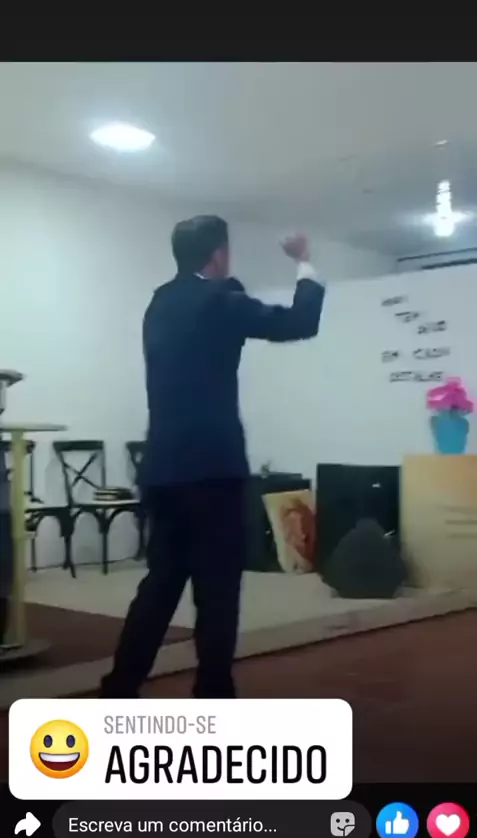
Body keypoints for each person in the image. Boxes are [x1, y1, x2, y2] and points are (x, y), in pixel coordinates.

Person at [100, 215, 325, 699]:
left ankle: (119, 687)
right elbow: (299, 322)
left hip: (162, 468)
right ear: (219, 255)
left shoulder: (159, 302)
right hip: (213, 470)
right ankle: (213, 694)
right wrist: (304, 261)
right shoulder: (221, 299)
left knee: (160, 585)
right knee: (218, 590)